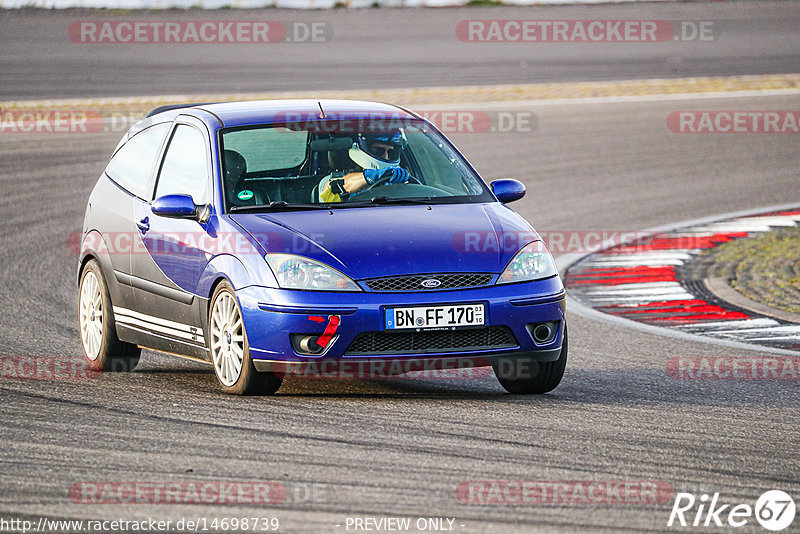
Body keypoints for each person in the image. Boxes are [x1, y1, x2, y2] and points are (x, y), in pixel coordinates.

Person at [318, 130, 411, 202]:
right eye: (379, 151)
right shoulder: (330, 181)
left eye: (391, 152)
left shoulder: (399, 182)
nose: (386, 156)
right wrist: (368, 177)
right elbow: (332, 190)